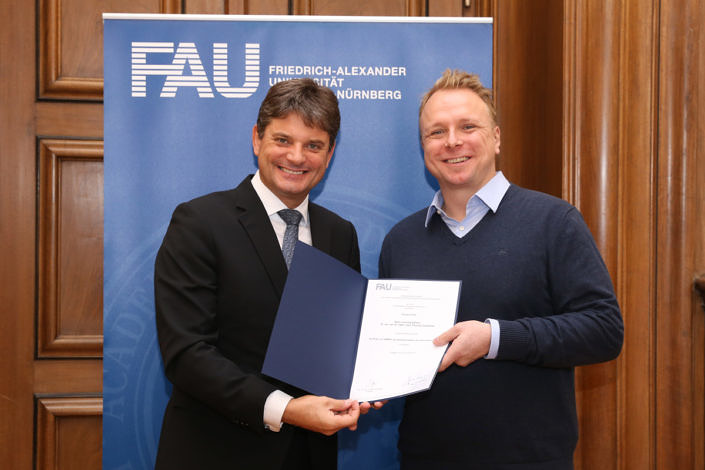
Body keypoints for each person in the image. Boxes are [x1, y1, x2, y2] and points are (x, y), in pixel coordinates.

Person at [378, 69, 624, 470]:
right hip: (426, 458)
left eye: (467, 126)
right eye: (436, 132)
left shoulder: (554, 222)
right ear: (424, 147)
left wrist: (495, 338)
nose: (452, 141)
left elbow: (604, 331)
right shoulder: (401, 241)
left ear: (495, 138)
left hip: (529, 460)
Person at [154, 78, 373, 470]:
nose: (297, 156)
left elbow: (343, 343)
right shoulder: (200, 222)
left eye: (314, 145)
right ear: (257, 139)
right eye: (283, 140)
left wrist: (373, 381)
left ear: (330, 154)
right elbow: (187, 354)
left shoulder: (340, 234)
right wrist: (285, 409)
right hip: (217, 454)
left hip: (310, 457)